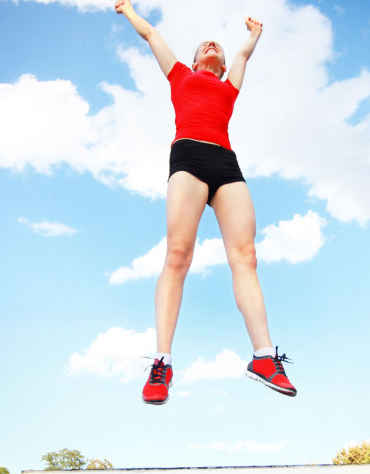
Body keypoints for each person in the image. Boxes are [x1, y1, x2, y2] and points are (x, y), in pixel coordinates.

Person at [115, 0, 296, 406]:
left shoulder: (230, 86)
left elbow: (245, 54)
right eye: (203, 45)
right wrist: (127, 10)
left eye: (217, 45)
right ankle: (162, 362)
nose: (211, 45)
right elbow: (151, 35)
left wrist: (253, 35)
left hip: (225, 162)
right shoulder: (180, 75)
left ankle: (265, 358)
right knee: (178, 254)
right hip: (189, 157)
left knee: (246, 256)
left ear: (221, 62)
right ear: (196, 61)